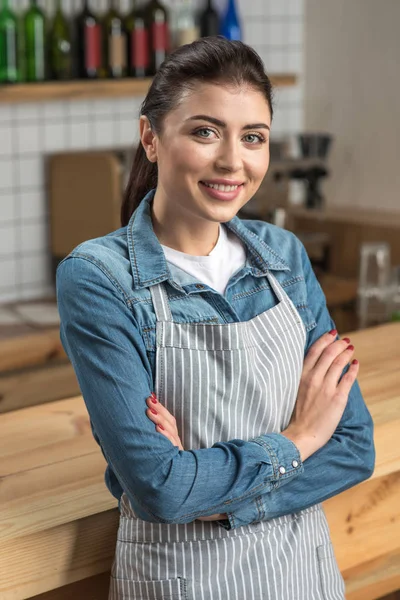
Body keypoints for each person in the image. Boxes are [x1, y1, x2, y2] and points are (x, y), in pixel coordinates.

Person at [56, 37, 375, 600]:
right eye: (205, 132)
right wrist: (299, 438)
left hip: (303, 576)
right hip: (182, 584)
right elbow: (161, 488)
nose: (233, 161)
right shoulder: (100, 278)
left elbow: (351, 447)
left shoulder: (284, 257)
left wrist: (209, 498)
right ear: (151, 138)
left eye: (253, 137)